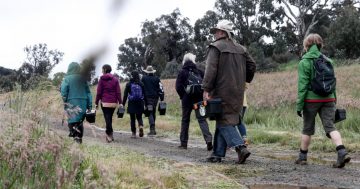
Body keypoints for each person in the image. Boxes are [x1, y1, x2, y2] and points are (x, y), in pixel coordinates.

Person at [202, 20, 256, 163]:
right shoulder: (241, 49)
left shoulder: (216, 47)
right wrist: (245, 80)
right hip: (238, 90)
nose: (214, 34)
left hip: (221, 89)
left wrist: (206, 88)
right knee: (224, 118)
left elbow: (210, 69)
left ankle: (240, 148)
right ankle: (217, 154)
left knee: (224, 120)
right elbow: (252, 65)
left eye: (216, 31)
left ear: (223, 32)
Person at [295, 33, 351, 168]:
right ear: (320, 45)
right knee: (331, 127)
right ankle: (341, 151)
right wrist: (334, 99)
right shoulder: (328, 61)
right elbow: (333, 82)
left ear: (306, 46)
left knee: (307, 128)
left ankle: (302, 157)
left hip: (311, 100)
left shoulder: (304, 62)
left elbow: (302, 86)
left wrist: (299, 105)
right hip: (329, 98)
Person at [175, 53, 213, 150]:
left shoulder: (182, 72)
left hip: (187, 100)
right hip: (199, 99)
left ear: (184, 60)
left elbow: (178, 87)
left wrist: (182, 96)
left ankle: (184, 143)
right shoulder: (199, 72)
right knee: (202, 119)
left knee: (185, 120)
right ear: (193, 60)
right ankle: (208, 140)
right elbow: (206, 84)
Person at [61, 62, 92, 144]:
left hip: (71, 102)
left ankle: (75, 136)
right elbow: (88, 93)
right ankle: (79, 138)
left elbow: (63, 91)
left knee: (72, 120)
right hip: (83, 102)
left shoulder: (66, 79)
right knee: (80, 121)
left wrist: (64, 101)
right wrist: (89, 105)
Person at [95, 64, 122, 143]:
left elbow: (99, 92)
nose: (101, 71)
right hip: (113, 103)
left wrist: (96, 102)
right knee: (109, 118)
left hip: (105, 102)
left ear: (105, 69)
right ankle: (111, 134)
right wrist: (120, 102)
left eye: (102, 69)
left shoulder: (101, 79)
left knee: (107, 118)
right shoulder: (115, 80)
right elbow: (118, 92)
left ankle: (109, 134)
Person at [141, 65, 165, 136]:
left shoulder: (144, 78)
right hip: (155, 98)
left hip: (147, 98)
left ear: (147, 72)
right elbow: (161, 88)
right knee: (153, 112)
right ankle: (153, 130)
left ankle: (152, 129)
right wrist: (162, 98)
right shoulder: (157, 78)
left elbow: (141, 87)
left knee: (150, 113)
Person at [122, 71, 145, 138]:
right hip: (140, 102)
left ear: (131, 76)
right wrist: (146, 103)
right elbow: (144, 94)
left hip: (132, 103)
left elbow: (125, 95)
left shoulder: (129, 84)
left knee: (132, 118)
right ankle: (140, 126)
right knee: (139, 117)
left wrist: (123, 104)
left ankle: (133, 133)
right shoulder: (141, 84)